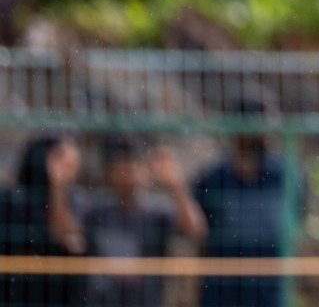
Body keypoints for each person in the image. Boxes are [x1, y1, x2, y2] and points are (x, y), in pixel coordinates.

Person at [194, 98, 303, 307]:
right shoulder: (212, 179)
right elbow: (200, 235)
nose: (269, 136)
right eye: (262, 128)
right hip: (222, 292)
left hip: (270, 291)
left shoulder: (287, 177)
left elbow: (295, 224)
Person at [81, 135, 207, 307]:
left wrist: (176, 185)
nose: (129, 172)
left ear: (146, 170)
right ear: (108, 173)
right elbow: (67, 233)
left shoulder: (158, 211)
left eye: (134, 164)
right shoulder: (95, 209)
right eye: (121, 165)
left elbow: (195, 229)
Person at [0, 133, 86, 307]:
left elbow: (71, 243)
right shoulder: (13, 199)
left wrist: (58, 187)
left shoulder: (77, 200)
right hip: (19, 294)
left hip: (61, 294)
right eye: (59, 156)